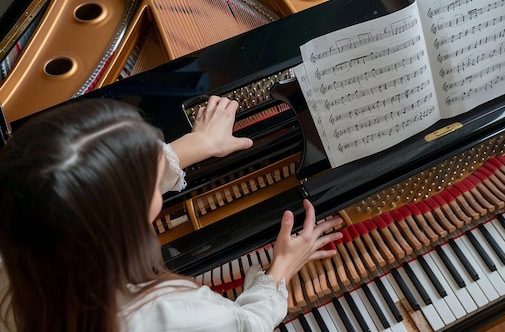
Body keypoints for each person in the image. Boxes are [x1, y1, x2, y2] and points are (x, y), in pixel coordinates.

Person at [0, 96, 343, 332]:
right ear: (122, 221)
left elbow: (72, 182)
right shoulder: (166, 314)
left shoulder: (23, 222)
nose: (160, 160)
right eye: (150, 171)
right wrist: (281, 269)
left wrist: (199, 143)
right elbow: (247, 324)